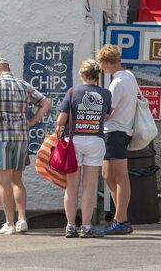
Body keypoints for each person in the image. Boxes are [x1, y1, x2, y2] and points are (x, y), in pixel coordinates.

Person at [0, 58, 51, 235]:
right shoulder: (23, 85)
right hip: (21, 138)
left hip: (1, 137)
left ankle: (9, 223)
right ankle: (22, 220)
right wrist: (31, 122)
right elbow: (46, 103)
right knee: (17, 180)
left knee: (4, 182)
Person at [55, 59, 111, 238]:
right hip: (95, 140)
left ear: (81, 74)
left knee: (71, 186)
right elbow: (107, 116)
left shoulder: (73, 92)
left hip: (74, 140)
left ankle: (70, 226)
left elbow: (61, 120)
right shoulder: (106, 93)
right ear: (97, 76)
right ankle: (86, 227)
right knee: (89, 186)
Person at [96, 44, 137, 235]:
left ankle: (120, 220)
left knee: (120, 176)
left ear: (106, 63)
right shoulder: (129, 76)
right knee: (107, 175)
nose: (101, 68)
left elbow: (108, 113)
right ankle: (121, 217)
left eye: (102, 63)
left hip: (115, 131)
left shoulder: (117, 83)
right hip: (120, 130)